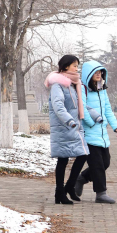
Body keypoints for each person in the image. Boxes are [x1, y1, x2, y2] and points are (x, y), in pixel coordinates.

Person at [45, 54, 89, 205]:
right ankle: (59, 193)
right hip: (64, 127)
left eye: (77, 65)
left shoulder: (72, 84)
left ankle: (69, 187)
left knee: (83, 155)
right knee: (63, 159)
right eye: (74, 65)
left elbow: (79, 105)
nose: (77, 68)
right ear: (65, 67)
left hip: (74, 127)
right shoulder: (58, 85)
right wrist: (69, 121)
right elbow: (58, 106)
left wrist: (95, 116)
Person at [75, 60, 117, 204]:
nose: (98, 74)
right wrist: (91, 122)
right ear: (88, 74)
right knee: (98, 165)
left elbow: (107, 109)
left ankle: (81, 178)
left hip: (102, 134)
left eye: (100, 72)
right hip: (89, 134)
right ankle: (101, 193)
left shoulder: (102, 89)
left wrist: (115, 126)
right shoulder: (82, 88)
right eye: (95, 72)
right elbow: (81, 107)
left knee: (105, 162)